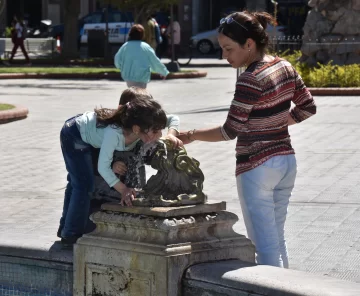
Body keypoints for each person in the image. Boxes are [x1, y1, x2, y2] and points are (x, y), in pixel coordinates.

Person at [178, 11, 316, 268]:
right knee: (276, 239)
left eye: (228, 49)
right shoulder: (284, 66)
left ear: (249, 44)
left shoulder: (249, 79)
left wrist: (190, 135)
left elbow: (230, 130)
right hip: (286, 163)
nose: (224, 56)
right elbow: (307, 107)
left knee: (263, 247)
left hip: (257, 167)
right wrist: (275, 121)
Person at [58, 90, 181, 247]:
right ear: (137, 129)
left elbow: (173, 119)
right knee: (83, 184)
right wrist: (123, 189)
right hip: (74, 134)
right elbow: (103, 167)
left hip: (90, 135)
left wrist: (171, 134)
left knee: (77, 183)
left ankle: (65, 227)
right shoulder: (114, 134)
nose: (159, 135)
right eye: (156, 131)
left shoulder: (143, 122)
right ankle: (71, 235)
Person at [114, 24, 169, 89]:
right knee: (141, 96)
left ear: (130, 34)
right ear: (142, 35)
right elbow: (155, 61)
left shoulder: (125, 47)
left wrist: (122, 67)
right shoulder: (146, 47)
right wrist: (163, 71)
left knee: (132, 94)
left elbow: (117, 61)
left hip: (128, 78)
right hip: (142, 78)